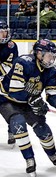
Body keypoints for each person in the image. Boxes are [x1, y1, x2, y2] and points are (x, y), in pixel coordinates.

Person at [0, 39, 56, 177]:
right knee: (19, 124)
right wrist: (34, 99)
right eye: (49, 56)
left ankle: (52, 154)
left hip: (28, 101)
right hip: (7, 100)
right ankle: (29, 158)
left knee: (42, 128)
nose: (51, 59)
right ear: (39, 53)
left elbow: (53, 94)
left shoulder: (50, 71)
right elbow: (15, 91)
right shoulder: (23, 63)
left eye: (53, 56)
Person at [0, 20, 19, 148]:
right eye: (1, 32)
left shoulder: (12, 46)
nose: (4, 34)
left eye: (5, 32)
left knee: (9, 109)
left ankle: (11, 131)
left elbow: (9, 66)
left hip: (6, 83)